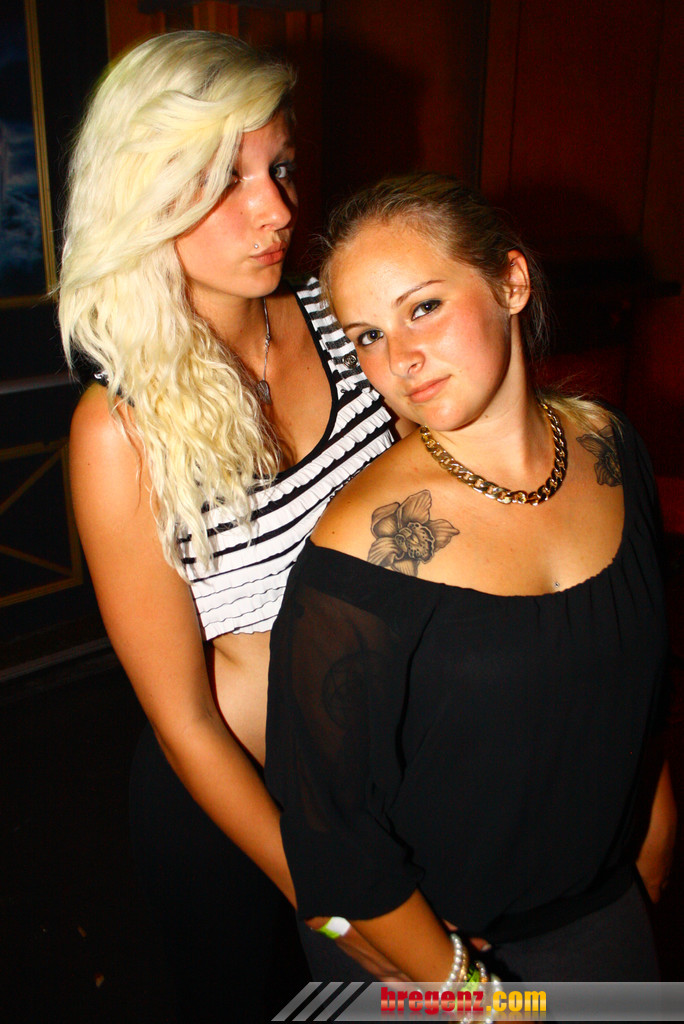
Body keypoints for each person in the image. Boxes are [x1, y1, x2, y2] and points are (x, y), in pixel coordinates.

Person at [59, 31, 403, 1022]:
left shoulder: (347, 324)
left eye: (281, 167)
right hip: (237, 814)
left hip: (388, 773)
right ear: (144, 196)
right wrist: (327, 896)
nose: (278, 209)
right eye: (225, 180)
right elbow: (184, 720)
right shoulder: (122, 430)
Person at [266, 173, 677, 984]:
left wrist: (653, 851)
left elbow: (639, 680)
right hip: (430, 955)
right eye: (367, 336)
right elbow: (328, 842)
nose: (400, 359)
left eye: (423, 307)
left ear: (510, 283)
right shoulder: (364, 548)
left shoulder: (611, 448)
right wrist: (470, 995)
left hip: (604, 912)